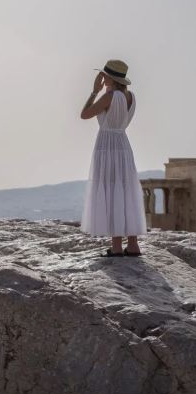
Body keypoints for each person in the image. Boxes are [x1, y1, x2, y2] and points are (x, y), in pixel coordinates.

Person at [80, 60, 147, 257]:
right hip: (123, 145)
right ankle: (133, 244)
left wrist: (94, 91)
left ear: (110, 78)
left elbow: (84, 115)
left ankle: (117, 246)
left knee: (111, 189)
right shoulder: (131, 97)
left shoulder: (109, 96)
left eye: (104, 75)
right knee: (125, 190)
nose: (102, 77)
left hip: (107, 145)